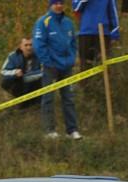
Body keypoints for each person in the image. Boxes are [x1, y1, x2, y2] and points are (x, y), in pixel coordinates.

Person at [34, 0, 82, 140]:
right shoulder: (43, 22)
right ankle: (50, 131)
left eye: (61, 3)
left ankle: (72, 130)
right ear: (50, 5)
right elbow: (39, 45)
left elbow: (73, 42)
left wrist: (72, 59)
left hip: (66, 66)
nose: (59, 5)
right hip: (50, 67)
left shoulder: (68, 22)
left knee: (69, 98)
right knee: (48, 98)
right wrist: (48, 62)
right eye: (55, 3)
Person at [72, 0, 120, 69]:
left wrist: (115, 33)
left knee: (102, 66)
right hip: (86, 32)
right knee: (85, 67)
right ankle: (86, 80)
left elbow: (113, 13)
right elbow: (76, 8)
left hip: (103, 33)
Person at [0, 37, 42, 107]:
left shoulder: (40, 55)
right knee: (5, 81)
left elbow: (45, 71)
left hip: (35, 83)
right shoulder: (13, 56)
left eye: (31, 45)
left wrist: (29, 75)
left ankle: (37, 103)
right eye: (26, 45)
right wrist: (14, 72)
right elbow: (3, 71)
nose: (29, 47)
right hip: (19, 84)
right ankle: (17, 101)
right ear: (21, 47)